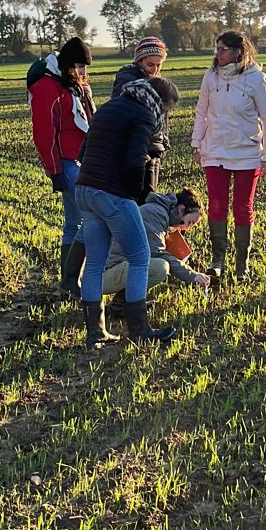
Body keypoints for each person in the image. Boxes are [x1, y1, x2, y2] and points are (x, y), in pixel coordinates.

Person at [75, 77, 181, 346]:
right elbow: (135, 163)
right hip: (111, 194)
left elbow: (83, 150)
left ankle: (95, 332)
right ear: (161, 103)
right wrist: (134, 197)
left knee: (95, 262)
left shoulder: (111, 107)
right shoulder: (144, 115)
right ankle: (140, 330)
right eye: (167, 111)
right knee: (140, 257)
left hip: (84, 190)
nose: (164, 116)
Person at [191, 30, 266, 282]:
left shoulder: (255, 79)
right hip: (215, 150)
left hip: (247, 153)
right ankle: (217, 259)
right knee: (217, 205)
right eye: (216, 49)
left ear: (238, 52)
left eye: (223, 49)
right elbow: (201, 113)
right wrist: (197, 144)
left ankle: (243, 264)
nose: (217, 54)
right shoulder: (210, 77)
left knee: (242, 207)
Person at [28, 36, 95, 294]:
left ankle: (70, 280)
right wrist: (55, 171)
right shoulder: (48, 87)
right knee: (81, 220)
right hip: (66, 163)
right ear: (67, 65)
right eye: (79, 66)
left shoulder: (73, 86)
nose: (83, 72)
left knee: (78, 220)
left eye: (85, 67)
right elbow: (45, 133)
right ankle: (70, 280)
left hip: (81, 160)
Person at [102, 188, 211, 310]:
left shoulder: (157, 211)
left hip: (116, 269)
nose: (186, 228)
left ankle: (124, 302)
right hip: (107, 275)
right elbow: (157, 254)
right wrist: (192, 275)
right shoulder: (156, 214)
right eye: (190, 222)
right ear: (181, 210)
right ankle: (125, 304)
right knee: (160, 267)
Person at [112, 36, 170, 198]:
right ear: (139, 61)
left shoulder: (157, 82)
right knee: (140, 200)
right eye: (150, 65)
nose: (154, 70)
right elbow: (120, 119)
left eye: (159, 65)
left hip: (153, 149)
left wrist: (162, 143)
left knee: (148, 197)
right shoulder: (127, 81)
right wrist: (135, 151)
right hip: (137, 152)